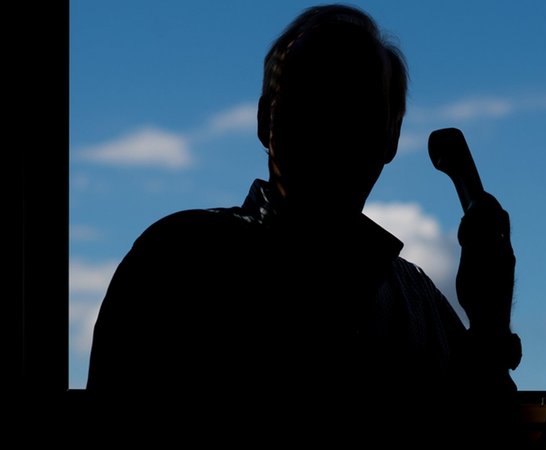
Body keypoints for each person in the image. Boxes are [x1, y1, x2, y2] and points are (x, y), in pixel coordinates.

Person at [86, 3, 522, 447]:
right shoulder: (178, 260)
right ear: (264, 122)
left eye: (358, 100)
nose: (333, 118)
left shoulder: (419, 300)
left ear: (391, 136)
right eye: (309, 93)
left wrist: (489, 325)